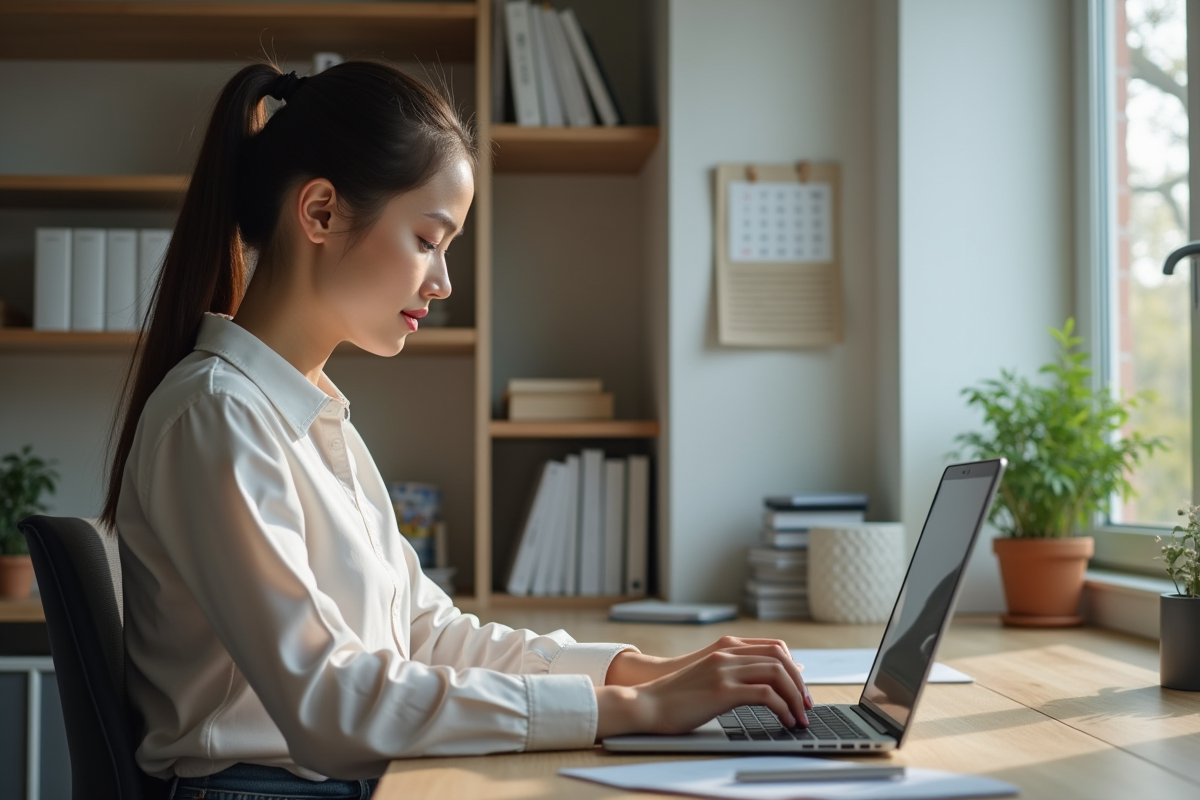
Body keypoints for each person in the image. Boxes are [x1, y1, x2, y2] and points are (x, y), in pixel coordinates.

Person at [101, 61, 811, 800]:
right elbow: (327, 705)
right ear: (318, 212)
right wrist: (628, 711)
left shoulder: (310, 416)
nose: (443, 283)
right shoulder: (216, 416)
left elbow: (429, 634)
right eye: (427, 239)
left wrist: (645, 672)